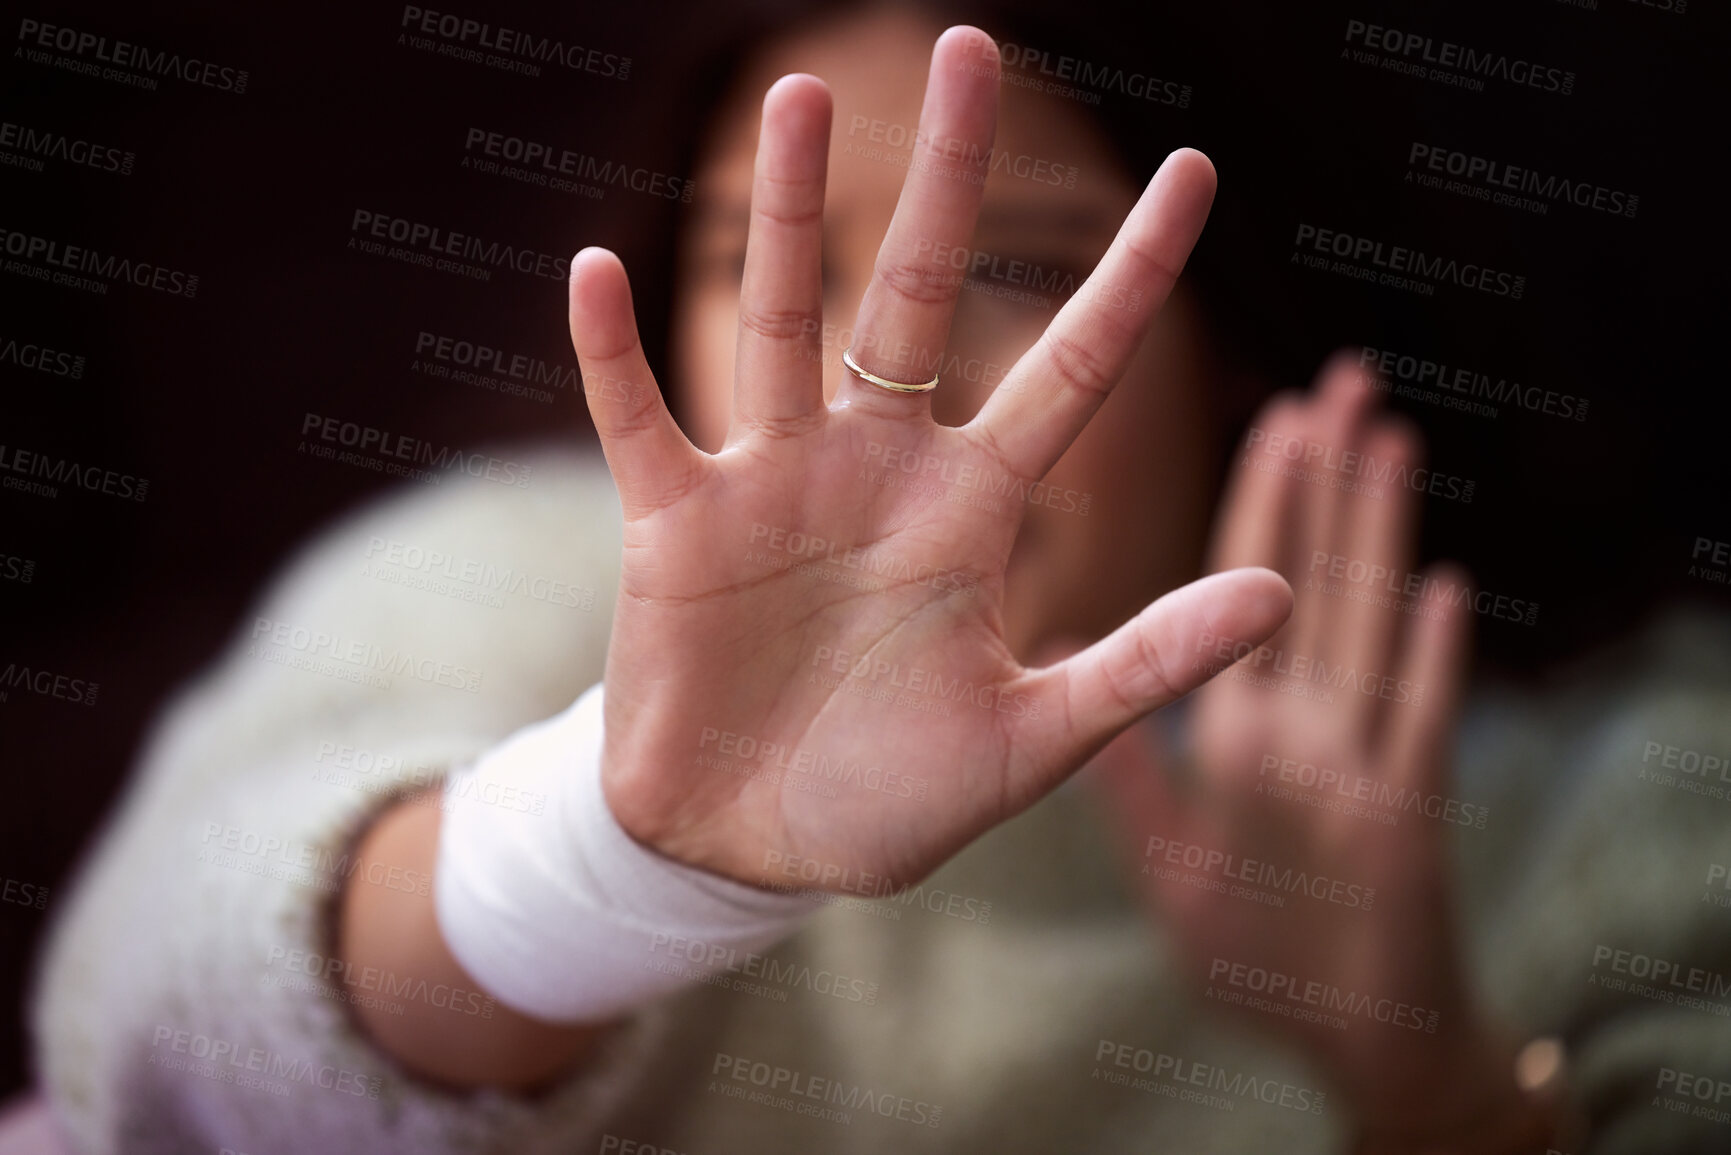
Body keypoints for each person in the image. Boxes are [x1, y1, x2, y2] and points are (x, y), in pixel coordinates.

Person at [24, 7, 1731, 1154]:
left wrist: (1422, 1074)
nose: (872, 375)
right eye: (761, 260)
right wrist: (614, 854)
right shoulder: (508, 579)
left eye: (1015, 263)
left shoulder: (1617, 765)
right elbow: (153, 1029)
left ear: (1232, 333)